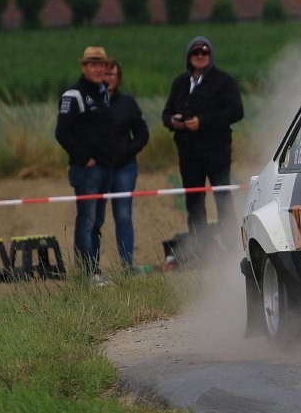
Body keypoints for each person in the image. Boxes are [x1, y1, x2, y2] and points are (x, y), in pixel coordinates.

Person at [162, 35, 244, 237]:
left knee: (223, 198)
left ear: (210, 55)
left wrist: (202, 122)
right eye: (195, 52)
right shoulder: (180, 83)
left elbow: (236, 111)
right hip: (188, 154)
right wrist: (173, 122)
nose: (200, 56)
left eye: (204, 52)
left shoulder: (224, 81)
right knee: (194, 203)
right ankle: (201, 248)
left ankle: (230, 246)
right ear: (189, 56)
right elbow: (166, 113)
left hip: (217, 152)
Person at [55, 45, 114, 282]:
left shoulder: (103, 92)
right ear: (84, 67)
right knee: (86, 220)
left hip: (105, 168)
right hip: (87, 170)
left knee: (97, 221)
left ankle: (94, 270)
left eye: (101, 64)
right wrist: (84, 158)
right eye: (93, 64)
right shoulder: (73, 94)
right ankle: (86, 273)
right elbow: (62, 133)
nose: (98, 68)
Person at [94, 60, 149, 271]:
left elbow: (142, 134)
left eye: (112, 75)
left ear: (118, 79)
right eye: (105, 74)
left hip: (124, 169)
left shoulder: (128, 103)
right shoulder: (90, 101)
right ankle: (92, 268)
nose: (108, 78)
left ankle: (127, 266)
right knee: (94, 218)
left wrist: (126, 152)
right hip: (96, 170)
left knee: (123, 216)